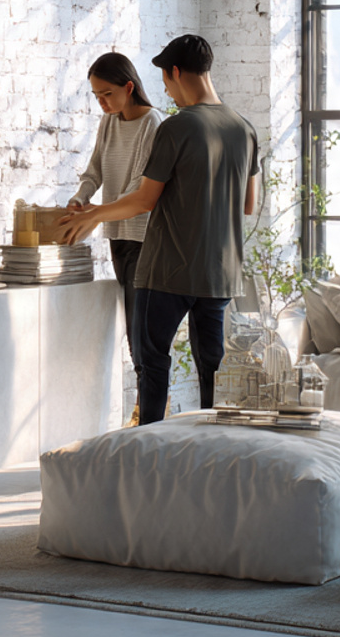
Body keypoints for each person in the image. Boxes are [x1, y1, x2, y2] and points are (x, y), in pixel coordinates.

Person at [59, 35, 258, 425]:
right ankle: (211, 448)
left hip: (167, 270)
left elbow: (144, 200)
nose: (166, 90)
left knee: (151, 363)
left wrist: (93, 214)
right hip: (219, 273)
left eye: (166, 81)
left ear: (176, 72)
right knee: (212, 367)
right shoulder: (244, 128)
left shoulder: (176, 127)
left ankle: (148, 448)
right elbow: (248, 204)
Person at [66, 52, 161, 417]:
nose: (102, 103)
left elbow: (140, 188)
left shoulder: (153, 123)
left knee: (141, 336)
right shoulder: (109, 122)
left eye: (107, 94)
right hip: (118, 236)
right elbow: (94, 170)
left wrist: (95, 214)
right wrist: (80, 199)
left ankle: (146, 416)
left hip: (144, 238)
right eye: (96, 96)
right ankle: (145, 414)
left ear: (129, 87)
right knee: (134, 331)